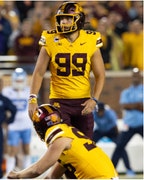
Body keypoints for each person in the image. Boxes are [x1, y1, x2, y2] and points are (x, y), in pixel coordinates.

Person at [28, 1, 105, 139]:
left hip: (83, 103)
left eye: (68, 18)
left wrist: (95, 99)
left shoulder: (91, 39)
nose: (64, 21)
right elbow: (39, 72)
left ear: (79, 19)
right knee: (63, 146)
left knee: (85, 146)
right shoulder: (50, 39)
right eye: (61, 18)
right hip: (59, 102)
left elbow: (100, 74)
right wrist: (32, 98)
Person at [7, 104, 119, 179]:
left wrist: (17, 175)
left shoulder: (59, 138)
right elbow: (51, 177)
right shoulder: (68, 132)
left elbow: (37, 170)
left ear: (40, 127)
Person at [111, 67, 143, 176]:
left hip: (142, 124)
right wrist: (138, 105)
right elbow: (124, 106)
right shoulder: (126, 91)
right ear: (131, 77)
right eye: (133, 76)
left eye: (137, 75)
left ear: (140, 77)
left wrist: (132, 105)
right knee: (119, 146)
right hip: (128, 124)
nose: (135, 78)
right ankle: (111, 171)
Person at [1, 68, 32, 175]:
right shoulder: (7, 92)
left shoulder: (29, 91)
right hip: (13, 125)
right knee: (12, 151)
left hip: (26, 124)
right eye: (17, 81)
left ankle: (27, 172)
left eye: (20, 81)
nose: (19, 83)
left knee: (26, 149)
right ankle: (9, 173)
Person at [93, 102, 133, 175]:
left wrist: (118, 138)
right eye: (99, 111)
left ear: (104, 110)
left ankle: (129, 169)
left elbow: (115, 125)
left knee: (120, 147)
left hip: (112, 131)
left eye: (102, 111)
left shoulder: (110, 113)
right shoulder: (93, 114)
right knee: (89, 145)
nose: (100, 113)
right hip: (100, 131)